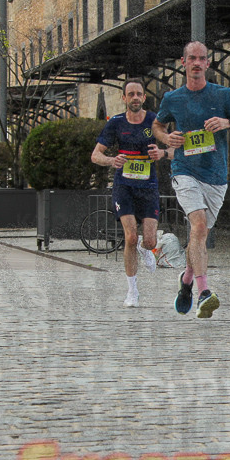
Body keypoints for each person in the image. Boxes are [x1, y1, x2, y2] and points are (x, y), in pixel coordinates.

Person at [152, 41, 230, 318]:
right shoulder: (172, 98)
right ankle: (203, 292)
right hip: (184, 170)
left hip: (216, 177)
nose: (196, 63)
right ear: (183, 63)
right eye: (191, 59)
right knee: (197, 226)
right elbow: (157, 125)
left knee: (199, 235)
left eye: (202, 59)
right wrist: (165, 137)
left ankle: (185, 281)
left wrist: (228, 124)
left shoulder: (223, 96)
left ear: (208, 64)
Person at [91, 78, 167, 308]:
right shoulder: (115, 123)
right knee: (130, 237)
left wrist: (161, 153)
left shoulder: (155, 121)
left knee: (150, 240)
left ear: (144, 98)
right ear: (124, 98)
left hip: (149, 186)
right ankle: (132, 291)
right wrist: (112, 160)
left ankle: (146, 249)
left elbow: (174, 145)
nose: (135, 97)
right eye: (130, 94)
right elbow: (95, 155)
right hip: (123, 186)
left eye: (139, 94)